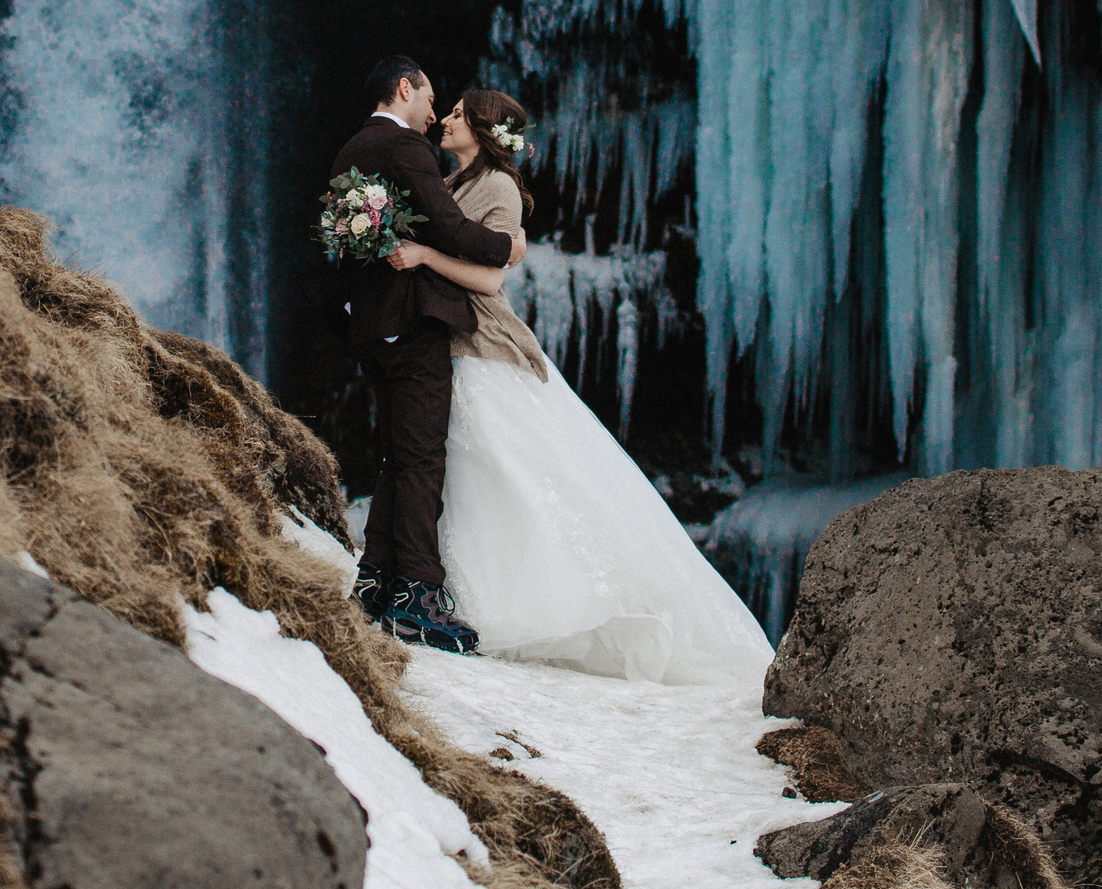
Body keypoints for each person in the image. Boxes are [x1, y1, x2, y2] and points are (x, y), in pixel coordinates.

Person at [385, 90, 775, 686]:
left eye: (461, 113)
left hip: (481, 343)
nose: (447, 119)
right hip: (446, 342)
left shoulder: (498, 186)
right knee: (467, 470)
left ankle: (510, 604)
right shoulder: (454, 182)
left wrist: (423, 257)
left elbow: (488, 279)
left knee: (500, 468)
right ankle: (442, 590)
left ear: (485, 129)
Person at [330, 56, 525, 653]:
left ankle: (375, 582)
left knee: (397, 456)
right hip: (411, 325)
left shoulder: (349, 151)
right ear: (404, 88)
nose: (436, 114)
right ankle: (416, 597)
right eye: (433, 99)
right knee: (420, 461)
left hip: (371, 326)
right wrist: (508, 247)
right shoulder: (405, 147)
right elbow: (450, 229)